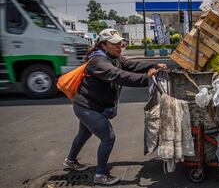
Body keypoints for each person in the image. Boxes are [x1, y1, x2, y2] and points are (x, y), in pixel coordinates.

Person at [62, 28, 167, 185]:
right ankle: (99, 175)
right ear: (104, 45)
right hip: (87, 107)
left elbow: (130, 65)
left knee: (84, 134)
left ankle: (70, 160)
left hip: (91, 105)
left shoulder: (114, 57)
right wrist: (146, 78)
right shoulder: (98, 62)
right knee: (108, 138)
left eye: (121, 43)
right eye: (115, 44)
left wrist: (152, 65)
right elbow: (118, 76)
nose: (120, 46)